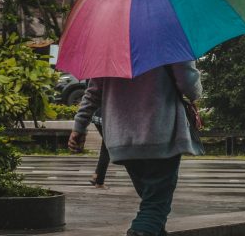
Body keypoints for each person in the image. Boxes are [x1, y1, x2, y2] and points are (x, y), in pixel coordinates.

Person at [68, 62, 203, 236]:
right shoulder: (169, 39)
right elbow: (188, 85)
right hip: (160, 135)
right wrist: (197, 88)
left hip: (122, 139)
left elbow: (93, 93)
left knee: (152, 204)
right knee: (154, 206)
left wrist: (79, 126)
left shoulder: (109, 47)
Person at [89, 108, 110, 189]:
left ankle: (98, 176)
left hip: (98, 115)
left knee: (106, 147)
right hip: (106, 117)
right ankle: (99, 180)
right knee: (107, 149)